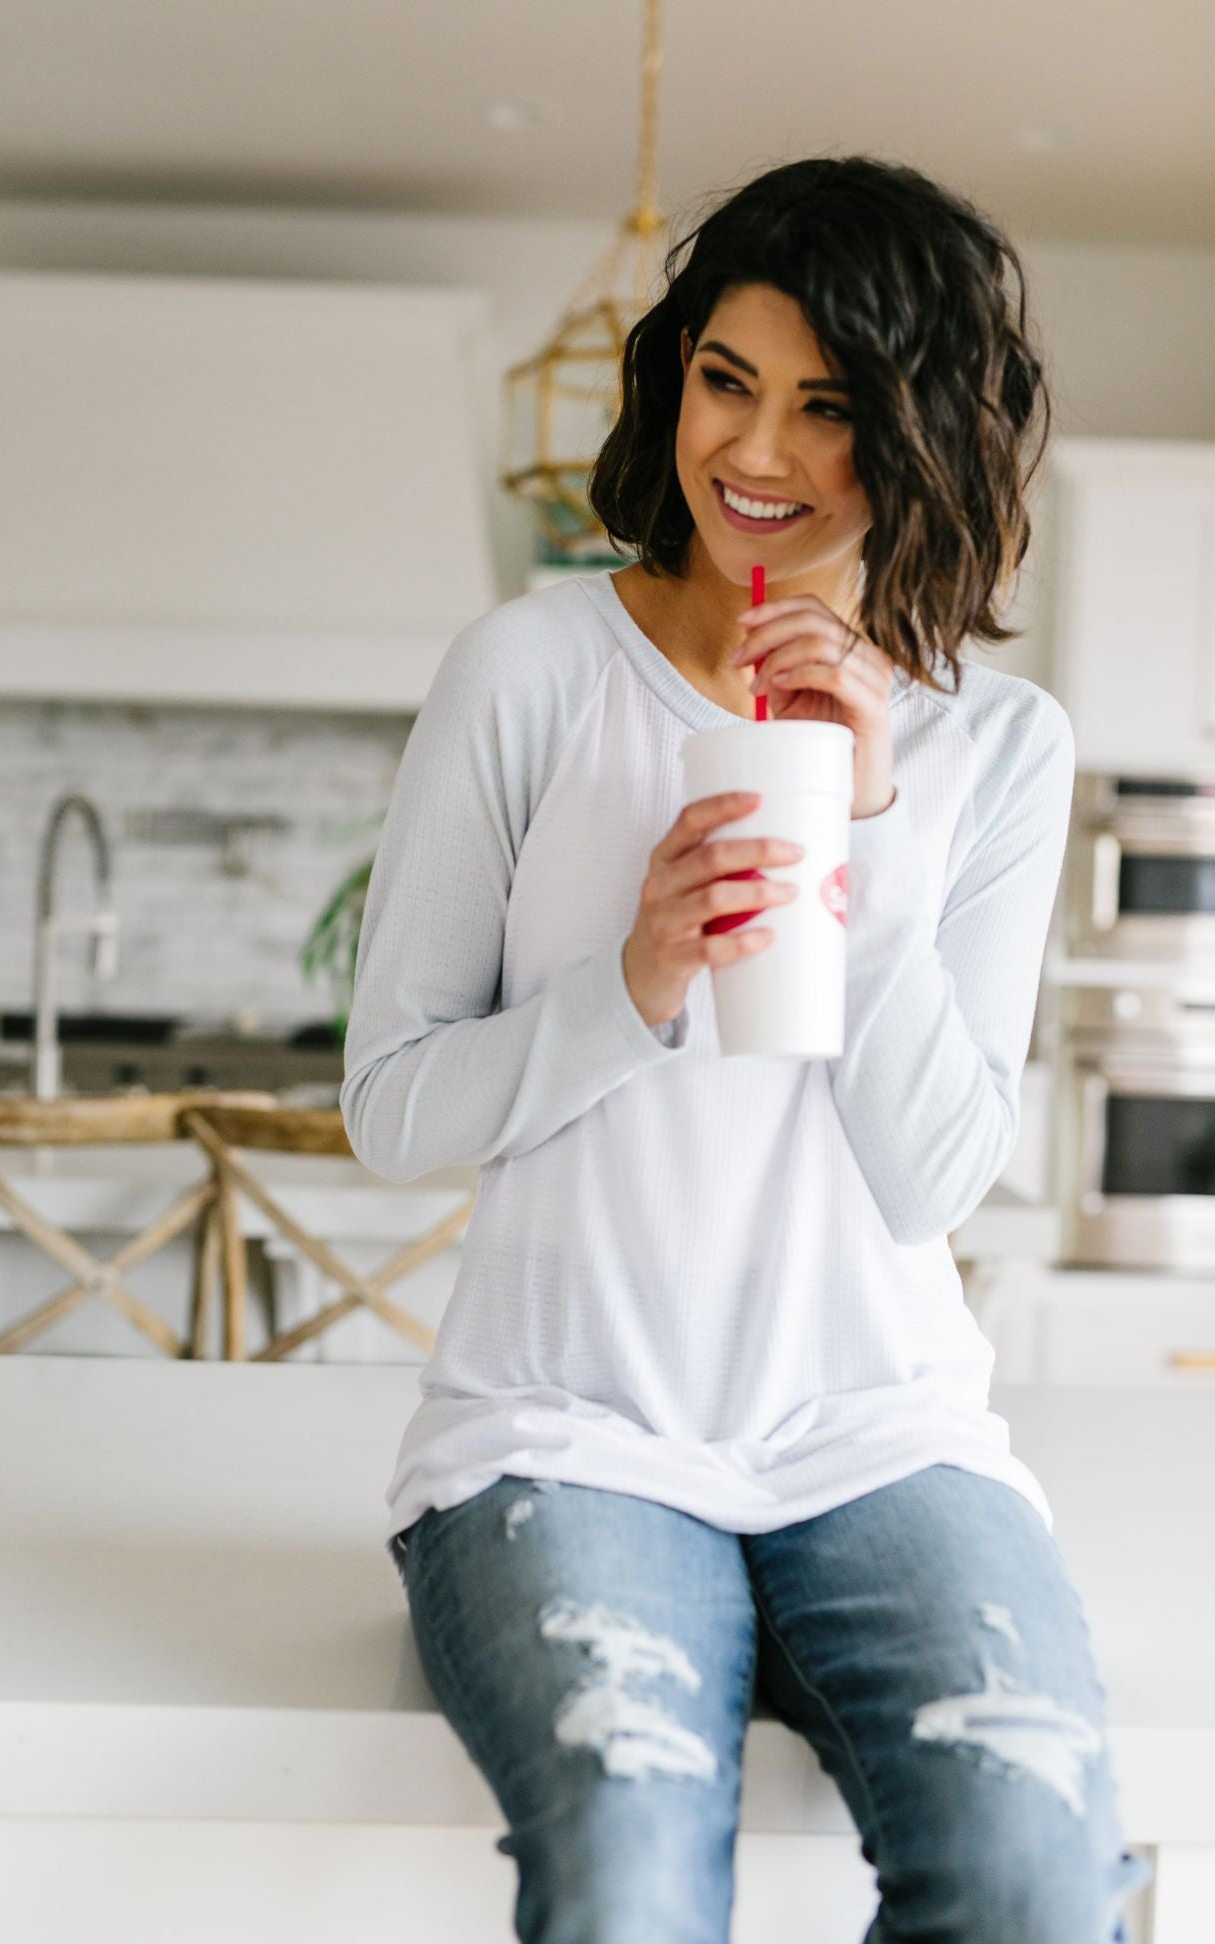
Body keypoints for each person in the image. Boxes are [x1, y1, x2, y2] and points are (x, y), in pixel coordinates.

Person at [342, 155, 1151, 1943]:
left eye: (829, 406)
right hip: (567, 1437)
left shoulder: (998, 749)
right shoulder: (534, 673)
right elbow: (391, 1108)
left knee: (1028, 1879)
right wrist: (629, 984)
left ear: (925, 433)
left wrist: (869, 822)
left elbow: (935, 1173)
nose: (757, 456)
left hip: (880, 1437)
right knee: (630, 1869)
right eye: (728, 381)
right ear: (674, 380)